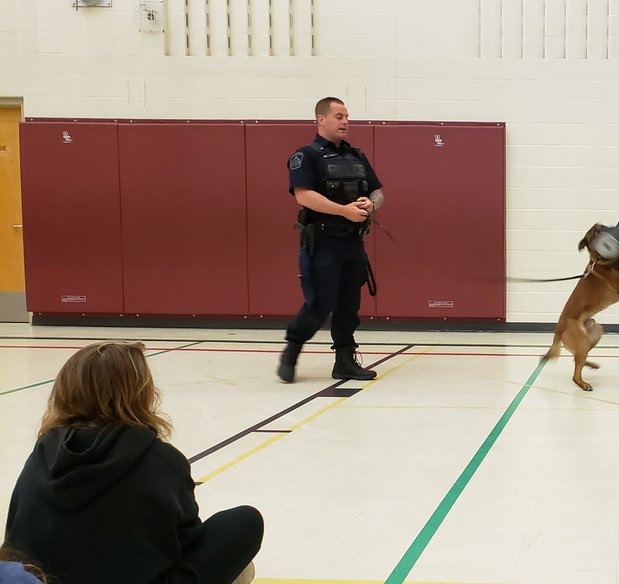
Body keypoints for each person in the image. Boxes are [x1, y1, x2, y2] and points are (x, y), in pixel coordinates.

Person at [2, 341, 262, 584]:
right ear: (141, 394)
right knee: (245, 524)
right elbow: (186, 539)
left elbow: (14, 542)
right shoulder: (162, 459)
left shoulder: (40, 456)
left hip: (43, 579)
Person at [278, 96, 385, 383]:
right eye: (339, 116)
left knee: (349, 304)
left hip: (353, 243)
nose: (345, 121)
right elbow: (303, 195)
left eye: (347, 116)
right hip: (322, 243)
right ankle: (293, 347)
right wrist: (344, 211)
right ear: (321, 119)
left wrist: (371, 205)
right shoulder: (307, 156)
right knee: (320, 303)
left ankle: (345, 360)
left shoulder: (357, 156)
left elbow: (377, 191)